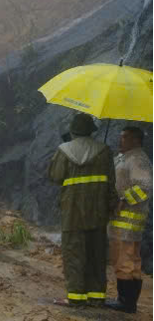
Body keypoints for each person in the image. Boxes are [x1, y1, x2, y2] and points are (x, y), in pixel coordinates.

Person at [48, 113, 118, 307]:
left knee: (74, 252)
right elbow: (111, 183)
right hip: (98, 211)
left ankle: (76, 296)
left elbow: (55, 176)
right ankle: (96, 297)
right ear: (91, 131)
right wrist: (112, 205)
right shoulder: (104, 151)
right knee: (96, 253)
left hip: (72, 212)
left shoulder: (64, 151)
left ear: (73, 130)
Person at [106, 126, 151, 313]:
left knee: (125, 259)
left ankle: (125, 302)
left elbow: (146, 186)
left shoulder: (137, 159)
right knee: (128, 259)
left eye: (124, 137)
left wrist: (124, 200)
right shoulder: (126, 158)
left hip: (128, 221)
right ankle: (126, 300)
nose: (120, 140)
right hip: (121, 221)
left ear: (136, 140)